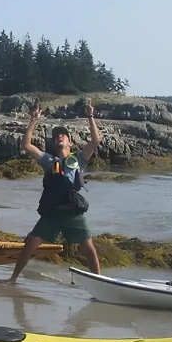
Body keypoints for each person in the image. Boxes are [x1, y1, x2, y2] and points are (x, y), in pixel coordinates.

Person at [8, 99, 102, 284]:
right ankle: (13, 279)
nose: (60, 137)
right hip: (52, 213)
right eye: (57, 136)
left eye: (64, 136)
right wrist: (34, 120)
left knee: (89, 250)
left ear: (70, 142)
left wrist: (90, 116)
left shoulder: (79, 159)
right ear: (54, 142)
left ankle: (100, 282)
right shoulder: (48, 160)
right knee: (30, 244)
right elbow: (26, 145)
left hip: (73, 214)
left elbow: (96, 140)